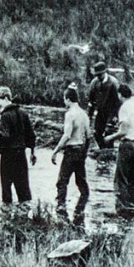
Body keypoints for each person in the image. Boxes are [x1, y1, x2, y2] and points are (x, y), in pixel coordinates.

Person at [0, 86, 36, 205]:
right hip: (21, 156)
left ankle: (6, 215)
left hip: (8, 157)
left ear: (5, 98)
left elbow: (4, 137)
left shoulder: (5, 115)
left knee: (6, 191)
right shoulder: (23, 112)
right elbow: (31, 135)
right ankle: (27, 215)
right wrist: (32, 152)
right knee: (24, 191)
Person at [51, 86, 91, 220]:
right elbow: (89, 135)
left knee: (62, 182)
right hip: (81, 149)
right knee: (81, 182)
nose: (64, 102)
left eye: (64, 99)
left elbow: (67, 135)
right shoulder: (84, 114)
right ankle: (81, 210)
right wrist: (84, 152)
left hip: (71, 150)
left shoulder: (70, 114)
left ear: (68, 99)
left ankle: (60, 210)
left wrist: (55, 150)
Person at [105, 84, 134, 214]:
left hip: (128, 145)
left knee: (121, 179)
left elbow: (124, 131)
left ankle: (123, 209)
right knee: (133, 179)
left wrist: (110, 137)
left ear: (120, 95)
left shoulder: (124, 108)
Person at [86, 61, 120, 149]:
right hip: (100, 112)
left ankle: (109, 151)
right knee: (97, 133)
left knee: (109, 132)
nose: (99, 77)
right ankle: (102, 149)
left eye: (100, 74)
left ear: (105, 72)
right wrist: (89, 114)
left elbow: (118, 101)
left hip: (111, 112)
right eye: (97, 75)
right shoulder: (94, 83)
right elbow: (91, 100)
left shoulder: (113, 82)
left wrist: (115, 116)